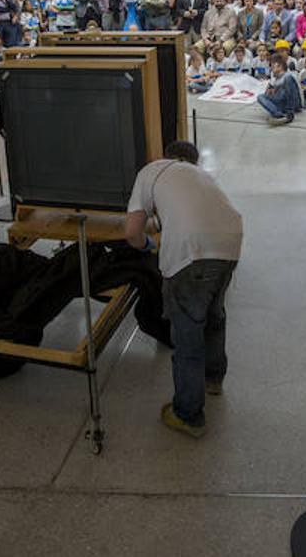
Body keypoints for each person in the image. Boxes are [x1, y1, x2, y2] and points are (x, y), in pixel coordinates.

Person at [124, 140, 242, 438]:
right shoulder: (202, 177)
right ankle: (213, 379)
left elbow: (131, 232)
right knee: (214, 316)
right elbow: (179, 216)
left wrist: (147, 245)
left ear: (166, 157)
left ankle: (187, 414)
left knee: (187, 332)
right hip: (230, 244)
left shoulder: (152, 170)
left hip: (192, 254)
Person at [257, 55, 302, 125]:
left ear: (280, 66)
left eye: (273, 66)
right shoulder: (274, 78)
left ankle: (289, 114)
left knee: (286, 82)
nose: (271, 68)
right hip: (281, 103)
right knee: (260, 97)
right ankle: (279, 115)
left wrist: (275, 87)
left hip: (293, 103)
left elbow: (296, 92)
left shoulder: (289, 75)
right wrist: (270, 90)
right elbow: (268, 94)